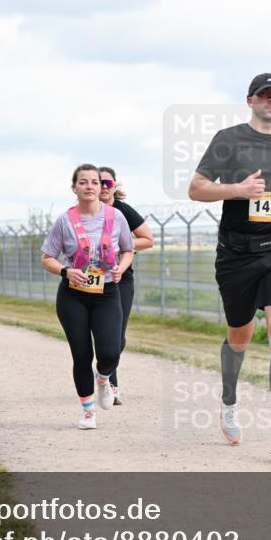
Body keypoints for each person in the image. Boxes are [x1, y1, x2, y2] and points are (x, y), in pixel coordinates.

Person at [188, 73, 271, 460]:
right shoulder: (229, 140)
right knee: (240, 337)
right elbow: (196, 188)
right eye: (263, 95)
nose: (270, 100)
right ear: (250, 101)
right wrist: (237, 190)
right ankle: (229, 400)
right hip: (237, 255)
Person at [41, 164, 134, 430]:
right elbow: (47, 258)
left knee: (110, 351)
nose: (90, 186)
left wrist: (121, 268)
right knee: (81, 353)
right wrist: (65, 271)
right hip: (73, 295)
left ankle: (103, 378)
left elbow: (128, 250)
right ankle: (88, 411)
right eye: (83, 182)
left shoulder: (116, 217)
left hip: (106, 292)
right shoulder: (64, 221)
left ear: (101, 187)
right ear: (74, 187)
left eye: (95, 182)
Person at [98, 166, 154, 405]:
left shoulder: (123, 210)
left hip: (121, 279)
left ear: (114, 186)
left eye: (108, 183)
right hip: (92, 280)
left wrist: (121, 243)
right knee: (103, 333)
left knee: (117, 338)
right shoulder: (84, 211)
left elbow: (148, 240)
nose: (103, 187)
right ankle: (111, 384)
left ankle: (103, 372)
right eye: (98, 182)